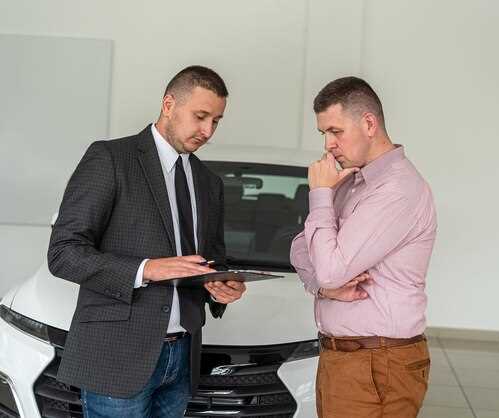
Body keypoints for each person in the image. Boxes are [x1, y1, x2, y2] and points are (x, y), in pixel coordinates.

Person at [47, 65, 246, 417]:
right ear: (169, 104)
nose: (207, 131)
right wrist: (147, 269)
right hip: (116, 357)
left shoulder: (208, 181)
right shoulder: (110, 159)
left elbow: (212, 260)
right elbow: (63, 253)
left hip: (182, 358)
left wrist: (220, 288)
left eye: (216, 121)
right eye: (200, 116)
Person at [289, 76, 437, 417]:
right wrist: (324, 289)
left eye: (335, 131)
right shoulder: (353, 182)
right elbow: (299, 247)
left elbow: (329, 268)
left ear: (369, 124)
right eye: (323, 133)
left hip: (376, 362)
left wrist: (320, 194)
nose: (328, 145)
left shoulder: (396, 190)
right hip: (348, 359)